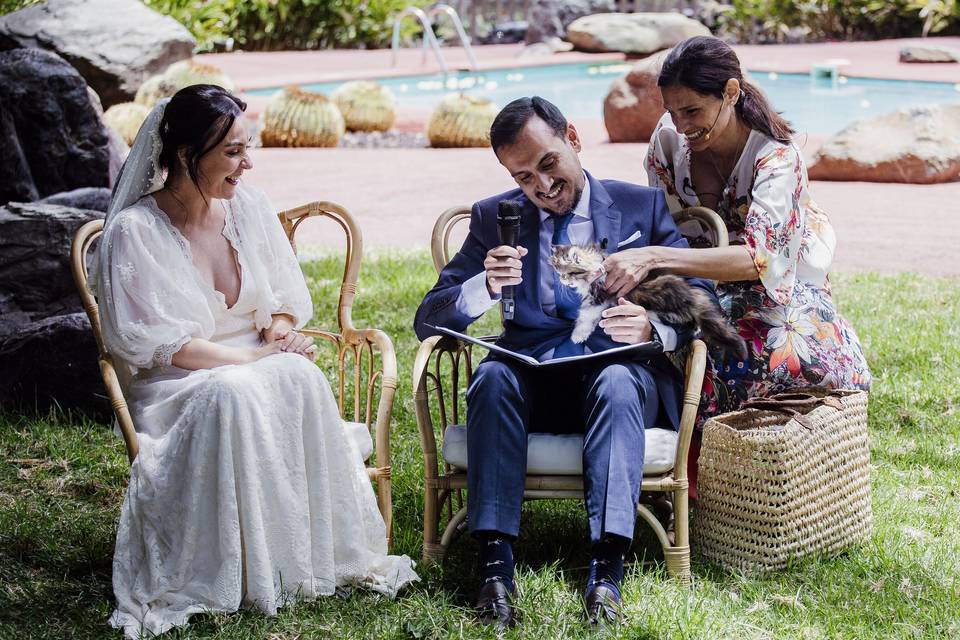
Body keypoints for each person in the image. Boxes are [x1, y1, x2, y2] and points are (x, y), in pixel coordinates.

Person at [94, 85, 417, 639]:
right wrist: (256, 356)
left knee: (299, 374)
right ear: (183, 155)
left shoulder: (250, 208)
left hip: (256, 365)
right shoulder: (135, 232)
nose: (247, 164)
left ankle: (306, 557)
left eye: (249, 147)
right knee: (233, 392)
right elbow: (163, 347)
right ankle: (231, 570)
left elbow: (281, 303)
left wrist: (281, 337)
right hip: (180, 383)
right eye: (233, 152)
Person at [413, 96, 716, 626]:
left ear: (572, 138)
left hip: (616, 378)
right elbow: (428, 317)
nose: (542, 187)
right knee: (491, 378)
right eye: (524, 176)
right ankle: (494, 572)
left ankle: (606, 574)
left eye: (548, 163)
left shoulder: (640, 208)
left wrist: (655, 327)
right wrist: (484, 285)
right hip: (532, 382)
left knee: (620, 379)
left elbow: (701, 300)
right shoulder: (493, 217)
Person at [603, 35, 871, 425]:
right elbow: (660, 226)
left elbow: (758, 261)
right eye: (672, 111)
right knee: (623, 329)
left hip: (777, 284)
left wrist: (654, 257)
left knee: (761, 348)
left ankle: (711, 454)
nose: (681, 125)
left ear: (730, 93)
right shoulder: (667, 137)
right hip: (690, 279)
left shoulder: (777, 156)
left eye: (692, 111)